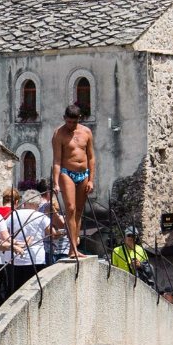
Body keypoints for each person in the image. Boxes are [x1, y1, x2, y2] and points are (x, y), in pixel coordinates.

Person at [50, 104, 96, 258]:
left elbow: (91, 157)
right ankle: (72, 249)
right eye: (68, 122)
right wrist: (55, 182)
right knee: (70, 208)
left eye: (73, 122)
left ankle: (75, 246)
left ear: (79, 119)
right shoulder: (59, 134)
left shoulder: (86, 132)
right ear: (65, 119)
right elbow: (56, 160)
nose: (70, 125)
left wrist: (91, 180)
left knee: (79, 212)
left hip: (83, 174)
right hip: (66, 172)